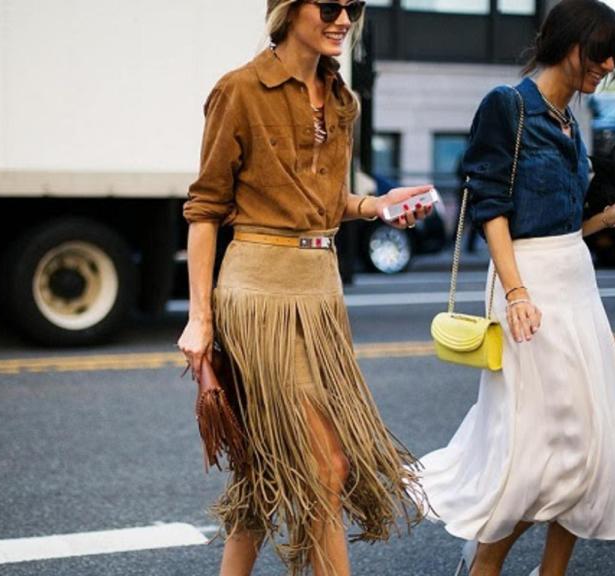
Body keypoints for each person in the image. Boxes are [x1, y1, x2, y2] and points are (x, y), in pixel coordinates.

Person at [408, 2, 615, 575]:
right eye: (600, 50)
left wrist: (611, 217)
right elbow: (491, 207)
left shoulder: (566, 120)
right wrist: (517, 293)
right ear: (566, 40)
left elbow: (560, 222)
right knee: (541, 451)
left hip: (573, 282)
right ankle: (483, 565)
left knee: (589, 444)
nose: (607, 63)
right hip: (528, 285)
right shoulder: (509, 106)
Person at [178, 1, 434, 574]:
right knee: (326, 467)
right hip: (259, 293)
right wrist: (200, 318)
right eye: (330, 5)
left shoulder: (343, 99)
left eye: (355, 6)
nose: (344, 18)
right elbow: (205, 211)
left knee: (262, 468)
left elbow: (323, 202)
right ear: (289, 10)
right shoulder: (239, 90)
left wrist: (376, 206)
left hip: (321, 293)